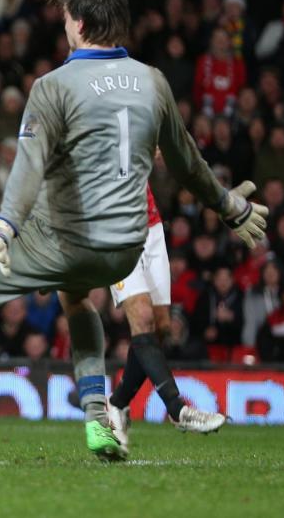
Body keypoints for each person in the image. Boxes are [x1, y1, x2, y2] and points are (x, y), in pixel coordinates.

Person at [0, 0, 267, 463]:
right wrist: (231, 207)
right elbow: (188, 163)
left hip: (60, 241)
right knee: (76, 295)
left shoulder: (53, 84)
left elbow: (28, 166)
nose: (64, 28)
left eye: (65, 19)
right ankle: (98, 418)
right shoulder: (153, 81)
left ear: (79, 24)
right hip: (124, 250)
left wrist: (5, 224)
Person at [107, 186, 227, 457]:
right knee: (143, 317)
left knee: (160, 327)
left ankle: (117, 403)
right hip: (112, 229)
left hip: (150, 227)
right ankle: (177, 409)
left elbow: (174, 152)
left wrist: (222, 200)